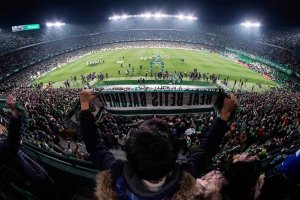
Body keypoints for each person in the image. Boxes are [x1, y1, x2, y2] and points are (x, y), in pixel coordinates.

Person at [79, 90, 238, 200]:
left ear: (129, 158)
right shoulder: (184, 177)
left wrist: (85, 107)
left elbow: (94, 145)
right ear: (174, 158)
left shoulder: (115, 176)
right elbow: (206, 149)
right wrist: (224, 114)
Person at [0, 95, 58, 200]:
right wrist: (14, 111)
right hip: (33, 178)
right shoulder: (4, 147)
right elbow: (11, 144)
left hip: (33, 176)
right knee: (50, 193)